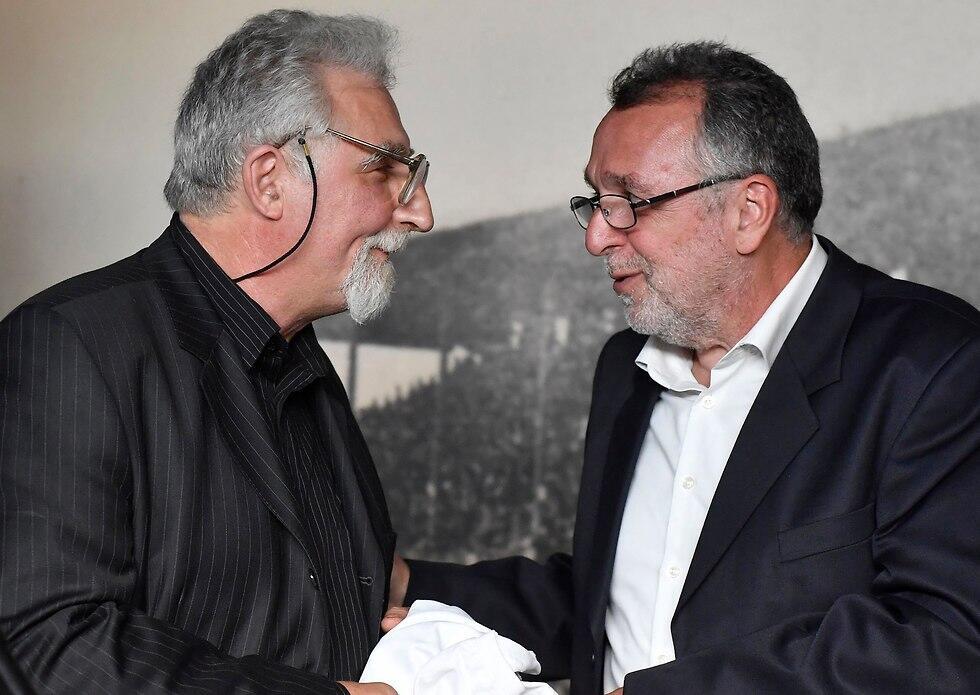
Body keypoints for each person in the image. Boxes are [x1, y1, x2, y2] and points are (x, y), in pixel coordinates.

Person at [392, 41, 980, 694]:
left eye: (630, 201)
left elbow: (943, 641)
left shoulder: (936, 367)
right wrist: (416, 586)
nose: (596, 236)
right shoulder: (626, 368)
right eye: (595, 199)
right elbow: (609, 604)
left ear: (748, 211)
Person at [0, 9, 432, 694]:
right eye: (384, 171)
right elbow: (46, 638)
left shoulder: (302, 361)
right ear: (269, 180)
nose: (419, 211)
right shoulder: (69, 345)